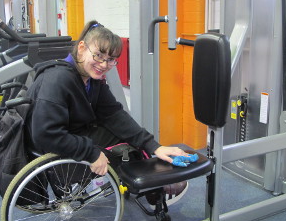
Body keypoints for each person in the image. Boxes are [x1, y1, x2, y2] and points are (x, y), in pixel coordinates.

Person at [26, 20, 189, 205]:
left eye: (111, 59)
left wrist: (154, 146)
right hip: (52, 144)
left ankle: (148, 185)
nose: (104, 64)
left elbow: (114, 115)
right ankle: (151, 188)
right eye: (98, 55)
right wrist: (91, 153)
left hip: (72, 132)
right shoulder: (58, 79)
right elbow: (44, 134)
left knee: (129, 140)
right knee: (125, 150)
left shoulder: (91, 78)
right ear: (81, 48)